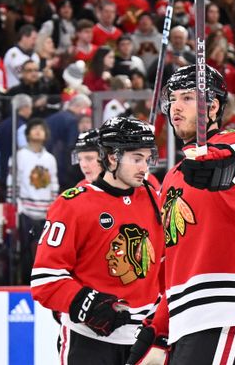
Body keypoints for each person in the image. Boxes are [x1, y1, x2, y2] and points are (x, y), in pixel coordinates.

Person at [127, 64, 235, 364]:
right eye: (172, 99)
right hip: (191, 311)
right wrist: (157, 327)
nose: (175, 106)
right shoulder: (173, 176)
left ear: (212, 107)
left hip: (229, 300)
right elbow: (177, 259)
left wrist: (225, 170)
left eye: (187, 97)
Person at [31, 117, 164, 364]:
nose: (144, 167)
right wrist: (86, 304)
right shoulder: (72, 205)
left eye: (147, 159)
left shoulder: (155, 201)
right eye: (137, 158)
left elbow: (165, 268)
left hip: (143, 341)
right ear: (112, 157)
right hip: (88, 341)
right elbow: (45, 279)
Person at [10, 118, 59, 283]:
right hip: (25, 210)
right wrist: (16, 206)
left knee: (44, 251)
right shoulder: (19, 156)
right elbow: (13, 181)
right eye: (34, 128)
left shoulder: (50, 159)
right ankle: (25, 282)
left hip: (46, 212)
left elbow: (54, 184)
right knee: (25, 249)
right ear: (27, 133)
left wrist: (54, 208)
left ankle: (42, 282)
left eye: (41, 129)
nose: (38, 131)